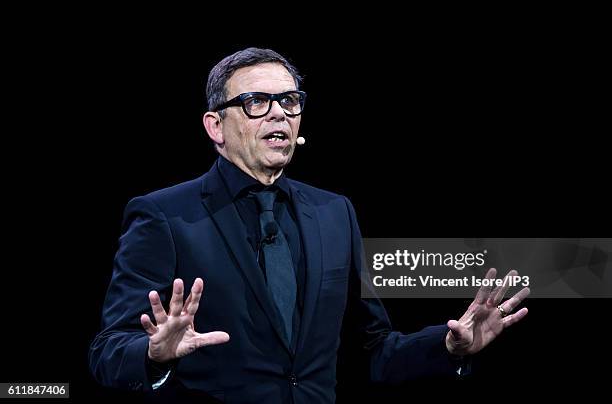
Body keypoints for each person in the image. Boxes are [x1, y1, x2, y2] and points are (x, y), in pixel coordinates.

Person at [89, 47, 530, 403]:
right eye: (255, 102)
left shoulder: (335, 213)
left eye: (289, 101)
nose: (279, 113)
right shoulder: (164, 215)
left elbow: (372, 348)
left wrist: (447, 347)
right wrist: (153, 355)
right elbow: (108, 351)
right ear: (215, 126)